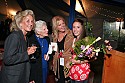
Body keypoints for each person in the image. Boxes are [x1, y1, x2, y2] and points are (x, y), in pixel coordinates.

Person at [0, 10, 37, 83]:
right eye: (27, 21)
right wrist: (27, 53)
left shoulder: (25, 37)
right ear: (20, 23)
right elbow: (8, 59)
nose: (31, 24)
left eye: (32, 21)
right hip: (12, 79)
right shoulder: (14, 36)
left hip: (21, 77)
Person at [52, 15, 74, 83]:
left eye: (63, 23)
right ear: (56, 27)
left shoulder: (71, 34)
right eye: (59, 25)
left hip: (67, 61)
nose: (62, 26)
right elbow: (54, 50)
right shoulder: (55, 36)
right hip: (58, 62)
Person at [69, 19, 91, 83]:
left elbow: (93, 57)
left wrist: (79, 62)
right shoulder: (74, 40)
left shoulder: (86, 41)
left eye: (78, 27)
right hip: (73, 72)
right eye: (74, 27)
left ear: (82, 28)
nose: (75, 29)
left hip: (81, 73)